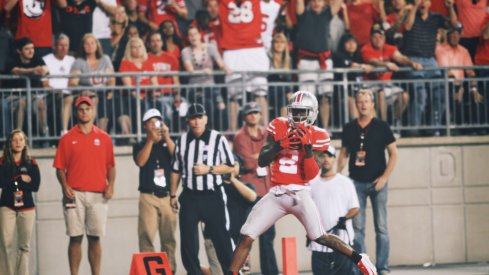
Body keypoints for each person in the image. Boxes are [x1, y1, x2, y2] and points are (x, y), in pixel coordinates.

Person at [229, 91, 377, 275]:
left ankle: (360, 258)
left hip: (300, 194)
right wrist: (279, 145)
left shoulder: (318, 135)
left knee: (320, 236)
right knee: (247, 234)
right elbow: (262, 160)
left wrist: (307, 151)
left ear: (313, 113)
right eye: (295, 111)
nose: (298, 116)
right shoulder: (278, 125)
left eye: (303, 112)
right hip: (276, 194)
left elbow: (311, 174)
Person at [169, 103, 236, 275]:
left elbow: (230, 166)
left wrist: (209, 169)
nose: (197, 121)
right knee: (188, 245)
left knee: (222, 240)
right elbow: (175, 169)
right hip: (190, 196)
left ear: (206, 118)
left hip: (212, 195)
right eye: (193, 118)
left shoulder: (217, 138)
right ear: (188, 121)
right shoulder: (182, 141)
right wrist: (172, 195)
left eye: (200, 117)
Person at [53, 96, 116, 275]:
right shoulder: (67, 138)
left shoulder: (104, 138)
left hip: (98, 194)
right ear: (76, 112)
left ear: (93, 111)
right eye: (81, 109)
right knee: (75, 237)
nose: (84, 112)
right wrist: (64, 185)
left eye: (88, 109)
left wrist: (111, 185)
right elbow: (59, 167)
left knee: (95, 238)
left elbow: (111, 166)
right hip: (74, 194)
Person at [337, 89, 397, 275]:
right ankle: (362, 268)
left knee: (381, 227)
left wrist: (385, 177)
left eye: (366, 101)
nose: (363, 104)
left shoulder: (381, 126)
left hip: (378, 182)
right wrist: (337, 178)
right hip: (356, 183)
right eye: (360, 101)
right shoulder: (349, 128)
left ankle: (382, 268)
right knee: (357, 228)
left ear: (372, 104)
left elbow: (393, 154)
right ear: (356, 104)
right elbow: (343, 155)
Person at [233, 102, 279, 275]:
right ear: (245, 116)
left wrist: (262, 156)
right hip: (250, 193)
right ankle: (240, 271)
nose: (253, 115)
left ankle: (271, 272)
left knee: (268, 238)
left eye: (256, 112)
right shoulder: (239, 136)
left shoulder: (267, 133)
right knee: (246, 238)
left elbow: (274, 155)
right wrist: (263, 156)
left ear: (261, 115)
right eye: (250, 112)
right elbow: (247, 161)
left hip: (268, 192)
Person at [402, 0, 458, 135]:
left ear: (429, 4)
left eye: (424, 1)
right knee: (420, 95)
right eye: (419, 1)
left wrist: (450, 8)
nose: (422, 3)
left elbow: (454, 25)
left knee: (439, 93)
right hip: (413, 58)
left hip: (430, 60)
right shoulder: (411, 14)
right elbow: (407, 27)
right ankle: (413, 130)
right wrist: (414, 7)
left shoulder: (436, 17)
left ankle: (434, 129)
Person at [133, 108, 177, 271]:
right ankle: (149, 271)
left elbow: (177, 158)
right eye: (151, 122)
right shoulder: (139, 145)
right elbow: (140, 161)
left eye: (157, 121)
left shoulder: (168, 144)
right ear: (145, 125)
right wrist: (150, 141)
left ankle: (170, 270)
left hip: (167, 197)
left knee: (169, 238)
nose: (155, 125)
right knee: (146, 236)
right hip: (148, 196)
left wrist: (166, 136)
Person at [309, 145, 359, 275]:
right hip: (318, 243)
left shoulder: (345, 182)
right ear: (317, 159)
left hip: (342, 243)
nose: (326, 159)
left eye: (329, 156)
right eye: (322, 156)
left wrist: (345, 218)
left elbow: (355, 208)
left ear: (334, 159)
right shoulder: (311, 183)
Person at [295, 0, 343, 128]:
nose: (316, 3)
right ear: (309, 3)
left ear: (324, 3)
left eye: (319, 1)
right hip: (306, 61)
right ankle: (305, 129)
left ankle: (325, 129)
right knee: (306, 99)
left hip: (324, 61)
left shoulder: (327, 14)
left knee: (325, 97)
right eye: (313, 1)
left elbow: (338, 3)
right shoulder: (303, 14)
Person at [361, 23, 422, 121]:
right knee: (381, 93)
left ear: (384, 37)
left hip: (387, 85)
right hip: (370, 86)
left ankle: (393, 121)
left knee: (404, 96)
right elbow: (372, 61)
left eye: (380, 37)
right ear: (371, 38)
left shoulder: (388, 48)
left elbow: (400, 58)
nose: (378, 40)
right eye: (375, 37)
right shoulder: (366, 48)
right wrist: (386, 65)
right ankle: (384, 126)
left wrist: (412, 63)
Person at [0, 129, 41, 275]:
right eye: (15, 140)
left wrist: (13, 182)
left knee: (24, 246)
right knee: (6, 244)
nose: (18, 142)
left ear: (25, 143)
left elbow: (35, 185)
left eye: (21, 140)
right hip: (7, 207)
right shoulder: (3, 162)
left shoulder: (31, 163)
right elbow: (2, 182)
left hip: (27, 208)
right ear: (10, 143)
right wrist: (19, 179)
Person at [435, 26, 484, 133]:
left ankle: (476, 129)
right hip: (445, 84)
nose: (455, 36)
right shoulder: (440, 49)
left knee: (478, 96)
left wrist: (474, 89)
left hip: (460, 85)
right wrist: (457, 88)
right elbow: (446, 72)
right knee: (452, 95)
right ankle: (451, 129)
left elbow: (470, 72)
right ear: (448, 36)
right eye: (452, 34)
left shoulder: (464, 51)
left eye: (457, 34)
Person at [181, 25, 230, 130]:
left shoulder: (210, 47)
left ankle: (223, 134)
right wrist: (204, 71)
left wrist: (227, 69)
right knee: (207, 103)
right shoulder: (186, 51)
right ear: (188, 38)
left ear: (200, 35)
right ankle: (208, 131)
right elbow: (190, 69)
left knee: (221, 106)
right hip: (195, 88)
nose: (193, 37)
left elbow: (220, 63)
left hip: (211, 87)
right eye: (190, 35)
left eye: (195, 34)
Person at [69, 33, 116, 133]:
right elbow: (73, 83)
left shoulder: (105, 59)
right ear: (83, 46)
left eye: (92, 43)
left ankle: (100, 133)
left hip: (104, 92)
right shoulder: (79, 62)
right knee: (92, 100)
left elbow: (111, 79)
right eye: (86, 44)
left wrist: (111, 90)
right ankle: (89, 131)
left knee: (107, 103)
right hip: (86, 94)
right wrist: (83, 91)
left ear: (97, 45)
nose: (90, 46)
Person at [4, 37, 49, 137]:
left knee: (41, 104)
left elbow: (45, 69)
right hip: (13, 95)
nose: (31, 51)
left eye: (32, 48)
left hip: (31, 95)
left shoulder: (37, 58)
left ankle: (45, 136)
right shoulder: (12, 59)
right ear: (19, 51)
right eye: (27, 49)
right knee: (21, 103)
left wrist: (42, 70)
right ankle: (17, 136)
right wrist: (32, 70)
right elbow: (15, 70)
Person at [332, 33, 374, 120]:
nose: (351, 45)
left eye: (354, 42)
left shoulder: (359, 57)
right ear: (343, 44)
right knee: (351, 101)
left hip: (358, 92)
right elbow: (351, 64)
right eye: (348, 42)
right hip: (343, 95)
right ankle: (358, 130)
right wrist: (362, 66)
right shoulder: (339, 56)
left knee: (368, 102)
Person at [43, 33, 76, 136]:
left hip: (68, 93)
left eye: (66, 45)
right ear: (55, 46)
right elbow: (45, 84)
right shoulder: (46, 59)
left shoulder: (72, 60)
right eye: (61, 45)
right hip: (51, 93)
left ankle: (64, 132)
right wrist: (56, 91)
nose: (63, 48)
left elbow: (73, 80)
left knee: (68, 98)